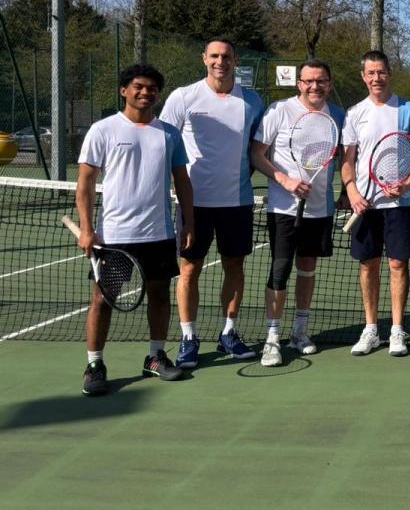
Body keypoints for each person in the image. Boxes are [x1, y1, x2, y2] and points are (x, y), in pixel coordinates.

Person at [77, 64, 194, 395]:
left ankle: (156, 356)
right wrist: (87, 228)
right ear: (124, 90)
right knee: (102, 299)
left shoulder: (169, 134)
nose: (146, 92)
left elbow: (182, 180)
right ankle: (95, 364)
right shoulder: (103, 130)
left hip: (158, 234)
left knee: (159, 295)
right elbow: (85, 182)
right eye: (139, 87)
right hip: (114, 239)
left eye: (153, 88)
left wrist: (188, 220)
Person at [161, 38, 265, 367]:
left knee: (235, 267)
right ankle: (189, 337)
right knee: (189, 269)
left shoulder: (252, 101)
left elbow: (259, 148)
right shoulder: (183, 97)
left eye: (227, 56)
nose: (221, 62)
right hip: (195, 204)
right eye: (215, 56)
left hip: (238, 202)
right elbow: (163, 142)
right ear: (204, 59)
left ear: (236, 60)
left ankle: (228, 334)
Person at [249, 59, 345, 366]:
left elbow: (345, 157)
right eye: (308, 81)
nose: (314, 86)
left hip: (319, 209)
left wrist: (347, 191)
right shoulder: (279, 111)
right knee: (280, 271)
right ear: (299, 83)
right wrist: (286, 180)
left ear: (329, 84)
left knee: (307, 269)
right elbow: (257, 153)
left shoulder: (338, 116)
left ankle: (300, 332)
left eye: (321, 81)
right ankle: (272, 338)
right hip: (283, 209)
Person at [342, 50, 410, 357]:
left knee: (397, 265)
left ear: (389, 73)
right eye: (371, 73)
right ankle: (371, 330)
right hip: (365, 204)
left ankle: (396, 330)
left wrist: (406, 183)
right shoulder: (354, 114)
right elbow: (348, 162)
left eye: (381, 72)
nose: (376, 78)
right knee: (368, 266)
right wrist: (352, 192)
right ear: (363, 76)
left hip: (401, 204)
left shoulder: (408, 109)